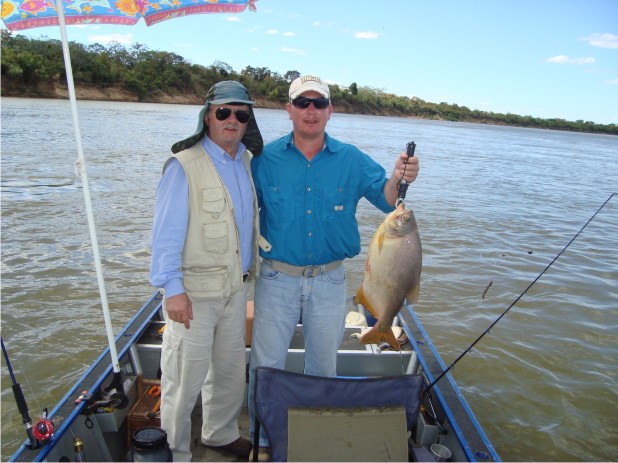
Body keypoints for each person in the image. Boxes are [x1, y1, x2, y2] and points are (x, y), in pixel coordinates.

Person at [247, 75, 420, 459]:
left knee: (323, 366)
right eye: (302, 103)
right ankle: (262, 441)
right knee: (265, 365)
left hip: (329, 279)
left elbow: (389, 200)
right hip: (276, 278)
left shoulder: (352, 159)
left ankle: (314, 436)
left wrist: (401, 176)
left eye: (319, 103)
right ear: (288, 109)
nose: (311, 111)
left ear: (330, 111)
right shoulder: (262, 159)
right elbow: (239, 212)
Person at [150, 80, 264, 461]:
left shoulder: (245, 162)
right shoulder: (183, 166)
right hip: (193, 297)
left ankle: (219, 433)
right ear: (208, 116)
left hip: (235, 290)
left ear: (249, 120)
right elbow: (165, 236)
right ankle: (175, 451)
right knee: (183, 381)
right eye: (224, 112)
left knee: (230, 375)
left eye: (241, 113)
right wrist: (172, 290)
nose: (233, 120)